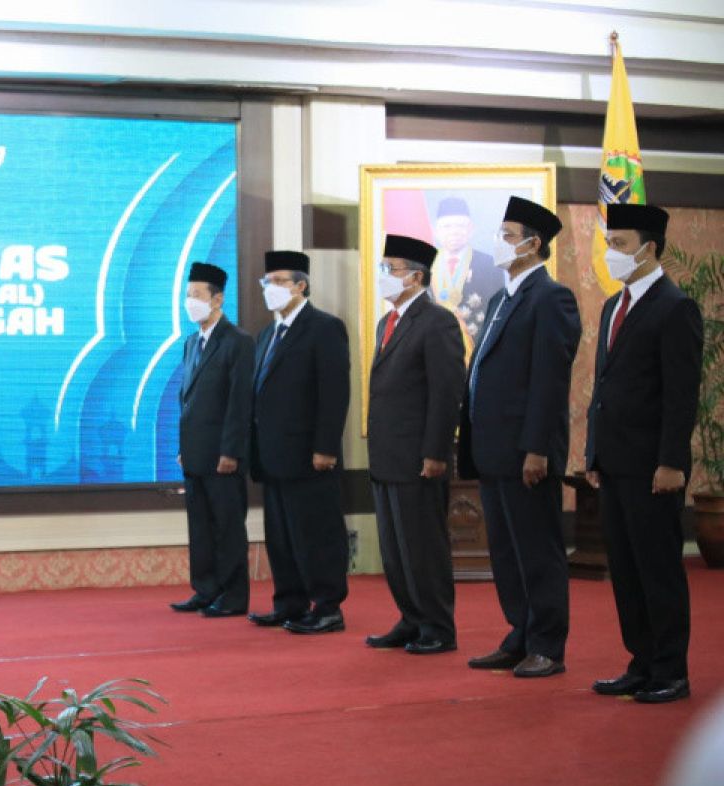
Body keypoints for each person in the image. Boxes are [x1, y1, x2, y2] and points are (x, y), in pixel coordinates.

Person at [457, 196, 581, 678]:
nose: (500, 243)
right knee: (507, 553)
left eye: (508, 236)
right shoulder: (499, 298)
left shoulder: (551, 298)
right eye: (500, 234)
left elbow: (550, 381)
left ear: (534, 245)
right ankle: (520, 633)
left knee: (537, 550)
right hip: (492, 451)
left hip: (525, 451)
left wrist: (537, 449)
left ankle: (548, 644)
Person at [586, 204, 702, 704]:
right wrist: (593, 453)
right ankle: (641, 661)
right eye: (609, 243)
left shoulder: (675, 307)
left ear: (649, 247)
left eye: (621, 244)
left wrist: (671, 462)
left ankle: (671, 670)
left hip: (654, 467)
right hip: (614, 462)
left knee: (657, 569)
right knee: (627, 570)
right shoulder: (615, 306)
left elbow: (681, 395)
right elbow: (603, 387)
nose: (612, 253)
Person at [366, 235, 465, 654]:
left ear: (416, 276)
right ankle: (411, 617)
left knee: (423, 546)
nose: (384, 276)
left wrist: (435, 453)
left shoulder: (436, 321)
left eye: (391, 269)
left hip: (418, 457)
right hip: (387, 455)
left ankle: (438, 626)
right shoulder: (385, 323)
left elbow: (446, 393)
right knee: (394, 548)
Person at [248, 250, 351, 634]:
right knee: (282, 536)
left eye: (277, 282)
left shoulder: (324, 327)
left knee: (316, 533)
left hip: (309, 454)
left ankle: (327, 606)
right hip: (272, 455)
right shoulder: (267, 334)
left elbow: (334, 393)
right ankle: (289, 602)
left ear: (300, 285)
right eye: (266, 282)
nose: (269, 289)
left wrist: (325, 447)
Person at [170, 261, 255, 617]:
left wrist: (231, 450)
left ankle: (234, 597)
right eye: (187, 296)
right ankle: (205, 590)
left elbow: (240, 402)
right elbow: (187, 400)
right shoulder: (192, 342)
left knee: (227, 526)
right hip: (195, 452)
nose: (190, 302)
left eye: (197, 296)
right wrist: (183, 449)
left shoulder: (238, 342)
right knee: (201, 526)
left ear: (217, 299)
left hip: (223, 454)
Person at [430, 197, 503, 348]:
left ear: (471, 229)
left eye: (460, 226)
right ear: (436, 231)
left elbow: (497, 313)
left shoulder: (489, 265)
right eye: (447, 226)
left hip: (476, 350)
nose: (454, 232)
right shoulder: (425, 265)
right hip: (433, 350)